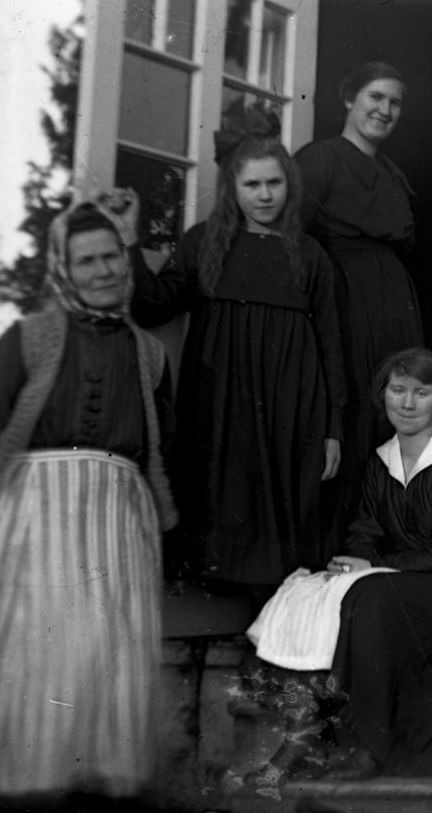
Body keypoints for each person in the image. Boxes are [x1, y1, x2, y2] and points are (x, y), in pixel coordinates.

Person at [0, 196, 176, 800]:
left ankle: (92, 783)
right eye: (86, 261)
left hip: (117, 516)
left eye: (111, 256)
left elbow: (163, 443)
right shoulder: (30, 336)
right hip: (33, 511)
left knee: (103, 649)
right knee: (33, 644)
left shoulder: (150, 353)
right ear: (63, 269)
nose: (103, 270)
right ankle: (19, 781)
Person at [130, 109, 346, 602]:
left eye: (274, 183)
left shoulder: (310, 255)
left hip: (291, 403)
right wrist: (129, 242)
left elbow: (331, 346)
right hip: (220, 399)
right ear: (233, 187)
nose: (264, 195)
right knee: (218, 497)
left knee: (283, 520)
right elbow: (150, 305)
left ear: (289, 185)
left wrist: (333, 426)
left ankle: (274, 618)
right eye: (252, 184)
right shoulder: (203, 242)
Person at [246, 348, 432, 785]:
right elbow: (364, 530)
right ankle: (302, 725)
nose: (408, 403)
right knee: (306, 588)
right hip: (389, 584)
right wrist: (353, 564)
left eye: (421, 392)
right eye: (398, 390)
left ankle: (369, 746)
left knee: (368, 596)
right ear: (383, 395)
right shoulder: (381, 461)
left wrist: (372, 566)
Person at [294, 61, 425, 552]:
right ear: (349, 98)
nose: (384, 110)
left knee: (393, 418)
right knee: (351, 419)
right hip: (345, 304)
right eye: (375, 97)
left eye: (394, 102)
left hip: (393, 308)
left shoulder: (393, 175)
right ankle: (334, 549)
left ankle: (379, 547)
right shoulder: (320, 159)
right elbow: (293, 240)